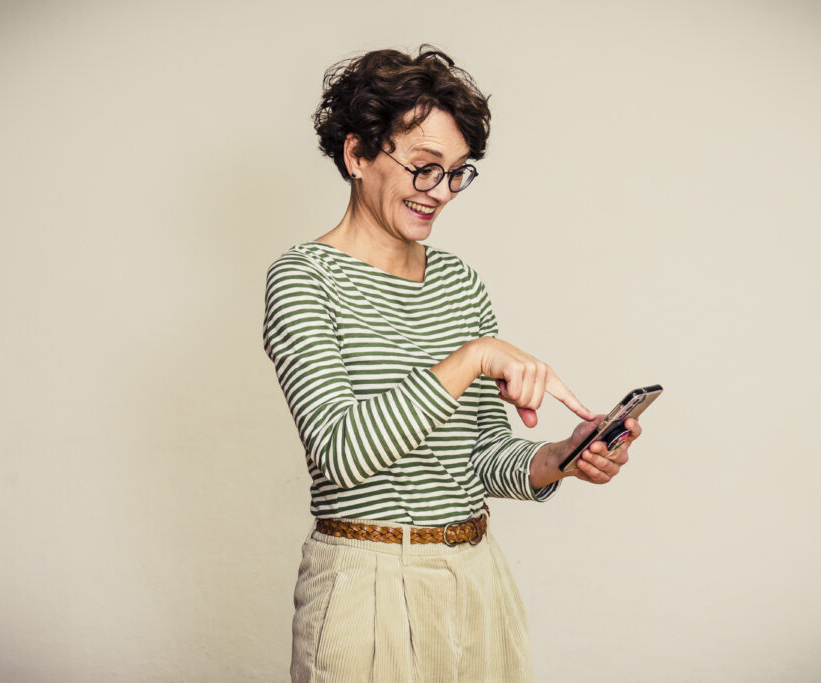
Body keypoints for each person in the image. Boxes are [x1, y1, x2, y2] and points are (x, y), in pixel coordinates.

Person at [263, 45, 642, 682]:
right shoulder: (304, 279)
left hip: (476, 575)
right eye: (423, 168)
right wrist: (471, 359)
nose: (441, 192)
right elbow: (341, 453)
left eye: (458, 172)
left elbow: (479, 457)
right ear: (356, 155)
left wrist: (562, 458)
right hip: (366, 582)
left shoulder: (459, 284)